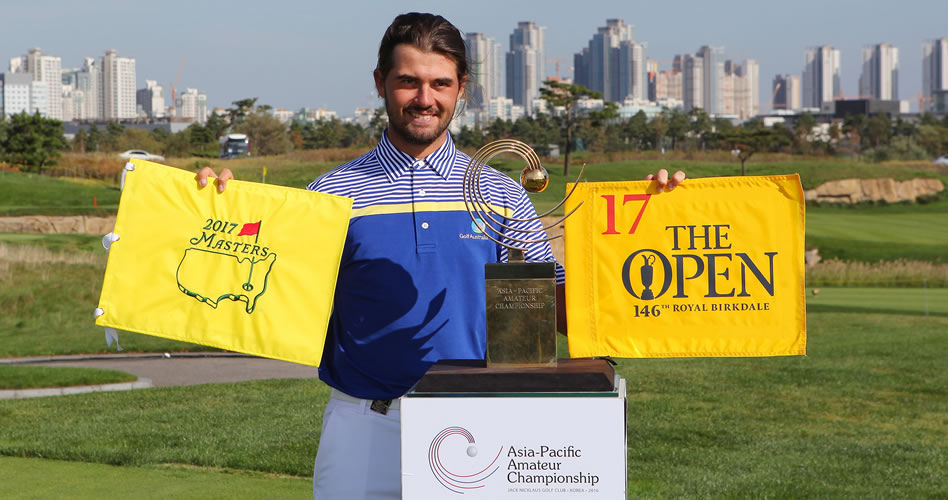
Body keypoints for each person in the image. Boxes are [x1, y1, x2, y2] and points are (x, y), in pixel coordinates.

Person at [198, 12, 684, 500]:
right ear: (380, 83)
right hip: (365, 427)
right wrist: (214, 210)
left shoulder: (503, 195)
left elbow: (563, 311)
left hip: (479, 424)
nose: (424, 99)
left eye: (440, 83)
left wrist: (650, 232)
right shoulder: (330, 194)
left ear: (461, 88)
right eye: (408, 81)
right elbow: (271, 293)